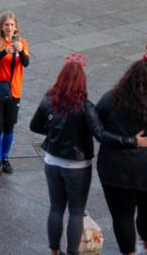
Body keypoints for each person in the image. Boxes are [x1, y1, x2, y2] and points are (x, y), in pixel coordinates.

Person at [30, 56, 115, 255]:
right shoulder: (86, 107)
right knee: (76, 212)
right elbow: (101, 134)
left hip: (52, 162)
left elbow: (34, 126)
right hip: (78, 166)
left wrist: (54, 133)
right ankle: (72, 252)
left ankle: (54, 250)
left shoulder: (49, 101)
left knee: (56, 208)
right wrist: (130, 141)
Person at [96, 55, 147, 255]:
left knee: (122, 216)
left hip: (115, 170)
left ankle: (127, 253)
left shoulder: (109, 99)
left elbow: (96, 128)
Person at [0, 12, 30, 176]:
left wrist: (22, 52)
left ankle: (5, 158)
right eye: (6, 25)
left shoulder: (22, 42)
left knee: (9, 127)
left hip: (14, 91)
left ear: (16, 27)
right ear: (1, 27)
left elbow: (26, 63)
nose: (9, 28)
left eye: (12, 25)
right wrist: (4, 51)